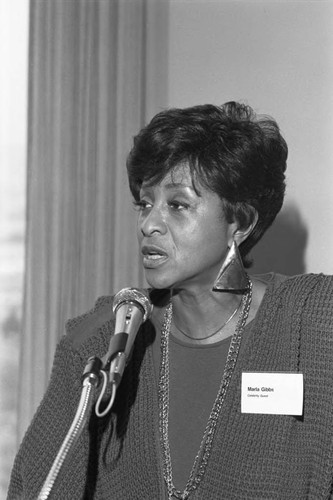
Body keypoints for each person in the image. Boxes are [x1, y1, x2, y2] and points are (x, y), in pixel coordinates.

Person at [7, 102, 333, 500]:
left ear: (241, 223)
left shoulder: (313, 323)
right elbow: (37, 487)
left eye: (177, 205)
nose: (148, 223)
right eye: (145, 203)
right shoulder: (105, 337)